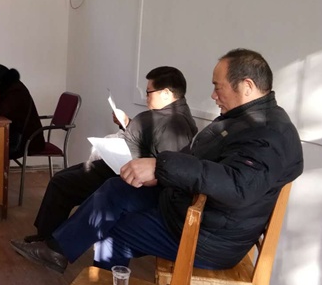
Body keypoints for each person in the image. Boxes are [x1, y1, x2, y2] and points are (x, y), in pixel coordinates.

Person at [11, 49, 303, 273]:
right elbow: (203, 161)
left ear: (247, 86)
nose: (213, 95)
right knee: (116, 188)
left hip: (207, 235)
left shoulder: (269, 133)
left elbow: (237, 186)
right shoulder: (242, 120)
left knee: (113, 228)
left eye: (219, 87)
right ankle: (57, 250)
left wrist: (160, 166)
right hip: (190, 209)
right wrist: (160, 173)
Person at [21, 66, 197, 244]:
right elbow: (148, 140)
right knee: (62, 178)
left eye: (148, 92)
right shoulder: (166, 115)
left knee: (62, 183)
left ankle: (49, 241)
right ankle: (48, 236)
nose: (146, 97)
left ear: (166, 93)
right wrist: (126, 123)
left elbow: (169, 167)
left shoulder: (175, 125)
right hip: (118, 166)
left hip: (126, 177)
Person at [0, 63, 45, 159]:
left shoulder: (16, 90)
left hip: (25, 139)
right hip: (13, 133)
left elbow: (4, 110)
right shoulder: (5, 86)